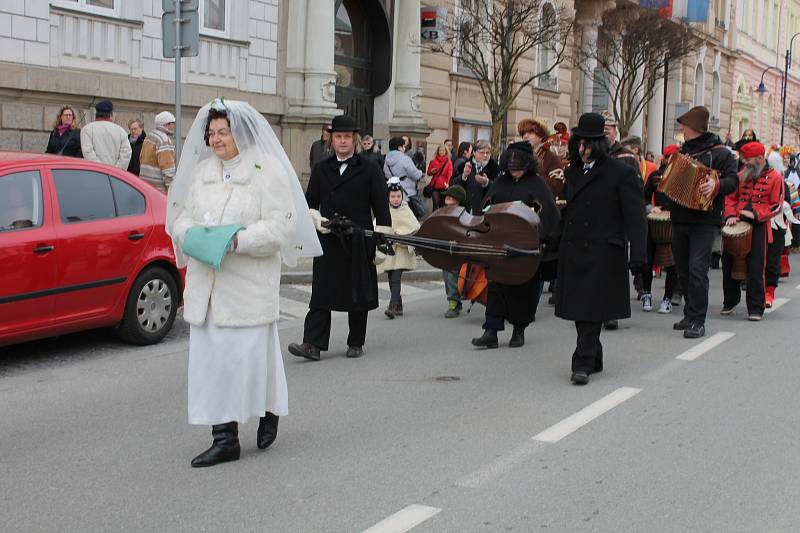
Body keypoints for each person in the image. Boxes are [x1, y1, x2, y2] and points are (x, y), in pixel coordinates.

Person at [166, 98, 321, 467]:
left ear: (241, 133)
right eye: (212, 133)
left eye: (224, 132)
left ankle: (268, 409)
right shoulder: (202, 172)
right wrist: (191, 236)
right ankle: (225, 438)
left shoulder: (266, 170)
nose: (217, 139)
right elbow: (181, 217)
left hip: (247, 287)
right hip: (208, 288)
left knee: (250, 363)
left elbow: (282, 226)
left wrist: (237, 240)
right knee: (213, 366)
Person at [288, 115, 392, 361]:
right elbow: (310, 202)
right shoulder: (322, 168)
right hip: (328, 238)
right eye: (338, 137)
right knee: (321, 292)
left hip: (359, 239)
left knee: (357, 291)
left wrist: (382, 242)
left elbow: (381, 207)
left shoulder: (369, 168)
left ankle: (356, 341)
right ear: (331, 140)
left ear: (354, 140)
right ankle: (312, 344)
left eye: (347, 137)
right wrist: (317, 221)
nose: (343, 141)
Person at [555, 112, 647, 385]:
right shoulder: (572, 171)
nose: (582, 149)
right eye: (579, 143)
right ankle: (593, 356)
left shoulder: (621, 172)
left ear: (599, 144)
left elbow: (635, 216)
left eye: (587, 144)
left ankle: (581, 362)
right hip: (575, 248)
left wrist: (638, 256)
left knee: (590, 308)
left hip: (604, 249)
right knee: (579, 307)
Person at [471, 141, 560, 349]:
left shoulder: (537, 184)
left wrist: (544, 238)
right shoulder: (501, 182)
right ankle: (491, 331)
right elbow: (486, 206)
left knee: (524, 291)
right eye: (511, 167)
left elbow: (549, 213)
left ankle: (519, 331)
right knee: (496, 288)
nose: (515, 171)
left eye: (518, 167)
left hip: (525, 248)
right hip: (499, 245)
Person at [670, 106, 739, 338]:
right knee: (683, 270)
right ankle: (690, 314)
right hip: (679, 219)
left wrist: (716, 185)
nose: (682, 130)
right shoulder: (682, 152)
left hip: (704, 221)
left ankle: (698, 321)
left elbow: (733, 181)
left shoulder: (721, 154)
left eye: (685, 126)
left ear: (695, 128)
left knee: (697, 270)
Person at [721, 142, 784, 321]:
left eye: (748, 160)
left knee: (757, 267)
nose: (744, 163)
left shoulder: (775, 178)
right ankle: (730, 301)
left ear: (759, 158)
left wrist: (756, 213)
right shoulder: (741, 176)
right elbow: (730, 198)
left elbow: (776, 205)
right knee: (728, 262)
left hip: (759, 225)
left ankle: (756, 307)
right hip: (737, 222)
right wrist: (731, 215)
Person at [640, 144, 680, 314]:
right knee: (647, 260)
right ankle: (647, 294)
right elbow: (644, 197)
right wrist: (650, 208)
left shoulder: (681, 177)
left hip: (674, 223)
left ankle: (667, 299)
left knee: (672, 264)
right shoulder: (655, 176)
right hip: (656, 222)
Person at [377, 177, 420, 319]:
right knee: (391, 278)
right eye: (393, 196)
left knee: (396, 278)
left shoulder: (406, 210)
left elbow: (414, 227)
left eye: (398, 196)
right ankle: (399, 305)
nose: (396, 199)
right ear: (388, 197)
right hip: (389, 251)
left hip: (401, 251)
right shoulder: (384, 211)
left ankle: (392, 306)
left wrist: (400, 234)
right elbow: (377, 226)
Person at [440, 185, 468, 318]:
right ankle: (455, 300)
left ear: (458, 200)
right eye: (447, 196)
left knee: (452, 276)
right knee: (447, 276)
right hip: (445, 248)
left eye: (451, 196)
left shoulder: (462, 214)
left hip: (457, 250)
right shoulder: (444, 211)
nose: (447, 197)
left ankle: (454, 304)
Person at [80, 100, 132, 169]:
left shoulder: (87, 129)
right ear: (111, 114)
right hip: (115, 176)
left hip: (94, 173)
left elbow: (88, 153)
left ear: (96, 113)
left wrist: (102, 169)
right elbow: (126, 154)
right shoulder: (121, 131)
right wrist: (116, 170)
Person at [383, 136, 426, 219]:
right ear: (399, 147)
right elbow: (415, 174)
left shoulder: (386, 160)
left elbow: (386, 174)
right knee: (410, 219)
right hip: (407, 194)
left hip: (393, 193)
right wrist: (420, 172)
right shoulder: (405, 159)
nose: (404, 148)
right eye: (403, 146)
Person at [138, 111, 176, 193]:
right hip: (158, 190)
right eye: (173, 123)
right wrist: (172, 191)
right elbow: (167, 168)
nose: (174, 126)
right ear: (167, 124)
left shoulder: (149, 136)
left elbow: (141, 157)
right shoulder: (164, 140)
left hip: (145, 185)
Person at [458, 140, 499, 215]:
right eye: (482, 152)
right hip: (464, 210)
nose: (485, 155)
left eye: (488, 152)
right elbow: (453, 185)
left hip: (485, 212)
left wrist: (487, 183)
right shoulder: (463, 166)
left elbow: (499, 190)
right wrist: (464, 176)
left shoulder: (495, 168)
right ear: (474, 152)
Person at [426, 144, 454, 209]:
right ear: (438, 151)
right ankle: (433, 218)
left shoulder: (448, 162)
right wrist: (431, 172)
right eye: (440, 150)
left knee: (442, 205)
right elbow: (428, 173)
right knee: (435, 203)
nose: (441, 152)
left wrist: (447, 183)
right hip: (434, 186)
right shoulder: (433, 161)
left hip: (443, 186)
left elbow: (449, 174)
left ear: (446, 152)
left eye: (443, 150)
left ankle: (441, 218)